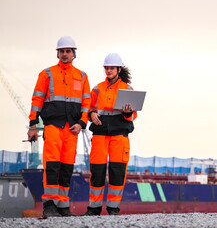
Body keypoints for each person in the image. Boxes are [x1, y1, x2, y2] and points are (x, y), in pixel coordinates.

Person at [27, 36, 91, 217]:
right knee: (52, 165)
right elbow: (37, 100)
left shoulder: (82, 76)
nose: (65, 54)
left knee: (66, 167)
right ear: (58, 53)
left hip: (72, 128)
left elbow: (86, 103)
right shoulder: (46, 74)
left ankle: (63, 206)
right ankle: (49, 204)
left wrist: (81, 123)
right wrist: (32, 125)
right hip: (53, 126)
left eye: (68, 51)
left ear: (74, 54)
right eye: (62, 51)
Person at [83, 53, 137, 216]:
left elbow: (134, 115)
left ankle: (113, 208)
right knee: (97, 171)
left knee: (117, 171)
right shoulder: (97, 89)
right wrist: (91, 114)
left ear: (118, 69)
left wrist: (128, 113)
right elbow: (88, 107)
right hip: (100, 133)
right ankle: (94, 208)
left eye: (112, 68)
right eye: (106, 68)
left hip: (120, 135)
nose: (108, 71)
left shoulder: (127, 89)